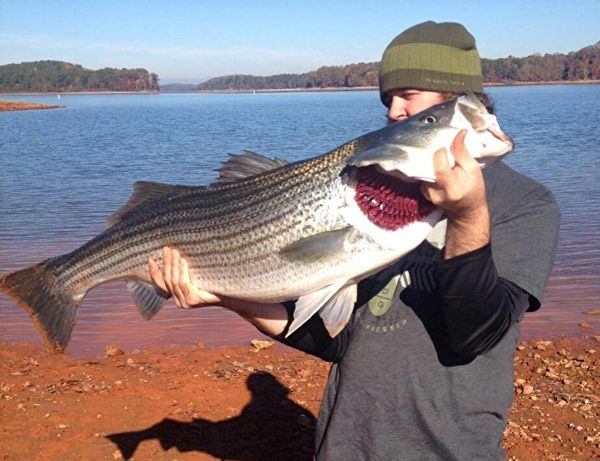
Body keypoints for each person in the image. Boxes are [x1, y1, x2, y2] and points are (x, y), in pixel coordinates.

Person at [149, 21, 560, 460]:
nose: (394, 112)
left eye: (410, 97)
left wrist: (468, 213)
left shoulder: (526, 204)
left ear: (459, 98)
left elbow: (476, 333)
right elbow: (339, 341)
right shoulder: (384, 201)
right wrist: (230, 297)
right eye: (388, 100)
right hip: (346, 447)